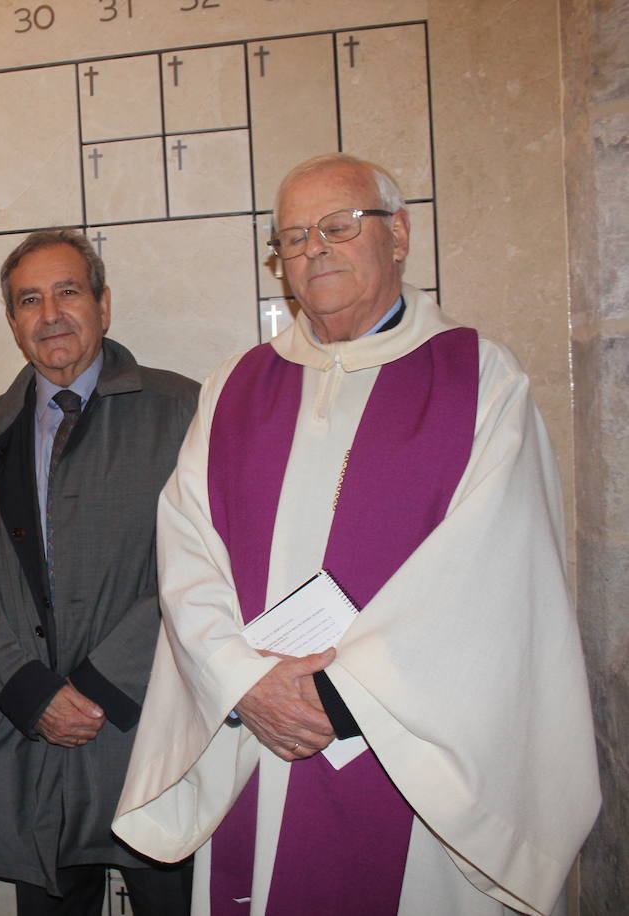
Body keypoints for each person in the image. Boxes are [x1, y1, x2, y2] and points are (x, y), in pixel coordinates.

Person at [113, 153, 601, 915]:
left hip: (404, 747)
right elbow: (186, 548)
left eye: (338, 226)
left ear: (398, 235)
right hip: (259, 731)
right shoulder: (238, 384)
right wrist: (246, 684)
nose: (314, 250)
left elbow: (495, 571)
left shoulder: (479, 379)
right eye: (293, 236)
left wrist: (341, 697)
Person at [0, 229, 199, 914]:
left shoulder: (182, 411)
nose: (50, 313)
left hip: (149, 726)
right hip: (33, 740)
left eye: (68, 292)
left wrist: (100, 685)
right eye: (30, 299)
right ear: (12, 322)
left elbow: (205, 564)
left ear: (104, 305)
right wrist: (28, 690)